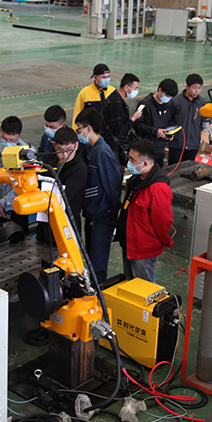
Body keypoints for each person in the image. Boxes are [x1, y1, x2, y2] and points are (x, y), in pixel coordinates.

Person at [76, 108, 122, 284]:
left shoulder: (102, 152)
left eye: (79, 128)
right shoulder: (90, 149)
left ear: (88, 128)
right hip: (93, 213)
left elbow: (112, 185)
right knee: (91, 257)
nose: (78, 132)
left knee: (98, 261)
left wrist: (110, 214)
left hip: (102, 216)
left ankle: (99, 291)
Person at [117, 139, 173, 283]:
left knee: (144, 289)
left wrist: (164, 241)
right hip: (130, 244)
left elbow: (163, 222)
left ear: (146, 163)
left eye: (132, 159)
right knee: (130, 285)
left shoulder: (158, 189)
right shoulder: (137, 180)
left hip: (143, 250)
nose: (129, 162)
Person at [37, 127, 88, 241]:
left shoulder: (80, 169)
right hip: (46, 221)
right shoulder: (50, 160)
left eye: (69, 150)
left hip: (66, 222)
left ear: (76, 146)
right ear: (54, 145)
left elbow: (64, 195)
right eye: (60, 150)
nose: (64, 154)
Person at [0, 116, 29, 233]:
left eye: (11, 140)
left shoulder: (27, 154)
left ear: (19, 136)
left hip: (16, 208)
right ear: (0, 131)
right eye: (4, 138)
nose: (7, 143)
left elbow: (23, 184)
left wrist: (3, 203)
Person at [133, 78, 179, 167]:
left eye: (170, 97)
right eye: (167, 95)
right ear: (160, 89)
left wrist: (168, 134)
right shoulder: (144, 104)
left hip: (160, 149)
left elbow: (169, 123)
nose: (168, 98)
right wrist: (155, 131)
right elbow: (137, 124)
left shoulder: (168, 106)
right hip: (146, 150)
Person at [103, 73, 143, 169]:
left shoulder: (117, 100)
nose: (136, 91)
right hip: (113, 147)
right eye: (135, 88)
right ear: (126, 87)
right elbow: (119, 131)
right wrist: (133, 119)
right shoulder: (115, 103)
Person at [169, 73, 207, 167]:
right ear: (187, 86)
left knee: (188, 169)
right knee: (173, 169)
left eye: (199, 88)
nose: (197, 91)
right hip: (177, 144)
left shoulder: (202, 103)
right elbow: (168, 120)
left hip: (193, 144)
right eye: (194, 87)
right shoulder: (176, 101)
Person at [73, 63, 116, 127]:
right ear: (95, 77)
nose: (107, 79)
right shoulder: (84, 93)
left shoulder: (113, 91)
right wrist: (76, 131)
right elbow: (77, 115)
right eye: (104, 77)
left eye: (108, 76)